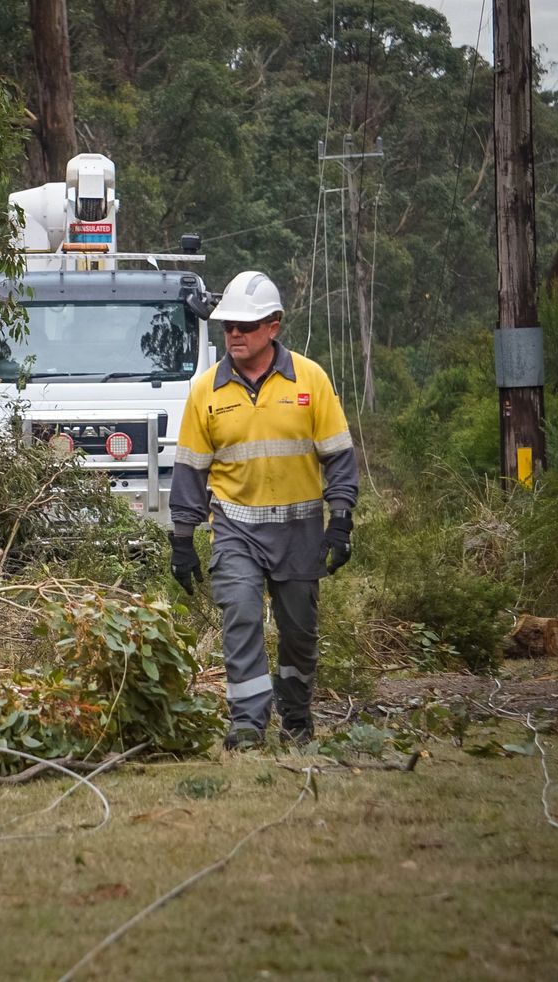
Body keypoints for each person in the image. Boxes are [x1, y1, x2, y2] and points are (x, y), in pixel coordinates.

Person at [169, 270, 359, 750]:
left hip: (300, 535)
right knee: (241, 619)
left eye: (245, 326)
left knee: (299, 635)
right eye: (228, 325)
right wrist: (181, 538)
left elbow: (338, 455)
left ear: (273, 326)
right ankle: (248, 726)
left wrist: (340, 521)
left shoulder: (310, 380)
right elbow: (191, 469)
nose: (234, 334)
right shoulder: (205, 391)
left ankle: (296, 717)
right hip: (236, 531)